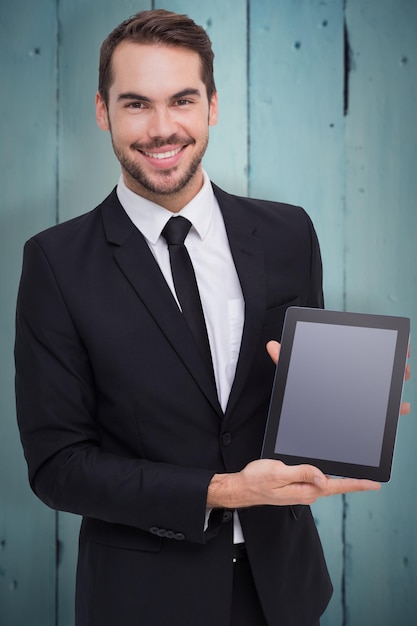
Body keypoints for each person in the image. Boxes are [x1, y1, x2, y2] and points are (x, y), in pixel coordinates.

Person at [14, 9, 409, 626]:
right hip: (142, 600)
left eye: (183, 100)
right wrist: (223, 491)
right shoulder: (56, 262)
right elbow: (58, 467)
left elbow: (297, 401)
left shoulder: (289, 233)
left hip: (285, 591)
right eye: (137, 104)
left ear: (213, 106)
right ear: (102, 111)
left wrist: (351, 402)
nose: (162, 129)